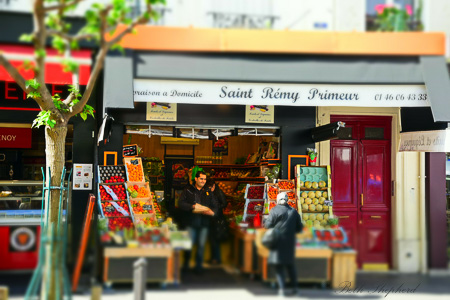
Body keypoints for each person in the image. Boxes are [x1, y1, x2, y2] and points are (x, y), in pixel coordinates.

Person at [178, 171, 217, 274]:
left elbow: (215, 205)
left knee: (201, 245)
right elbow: (181, 203)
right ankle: (186, 264)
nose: (203, 181)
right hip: (191, 222)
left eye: (204, 179)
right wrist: (192, 207)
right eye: (201, 179)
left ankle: (198, 266)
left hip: (204, 224)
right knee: (188, 245)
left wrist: (212, 212)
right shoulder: (188, 190)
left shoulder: (208, 192)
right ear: (196, 179)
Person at [264, 192, 303, 297]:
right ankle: (295, 289)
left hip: (278, 242)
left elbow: (268, 225)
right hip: (290, 242)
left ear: (277, 199)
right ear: (287, 200)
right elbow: (299, 227)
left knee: (279, 266)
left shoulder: (274, 210)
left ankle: (282, 290)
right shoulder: (294, 212)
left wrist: (265, 222)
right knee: (290, 265)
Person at [205, 179, 228, 265]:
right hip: (211, 218)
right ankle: (213, 258)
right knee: (212, 239)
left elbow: (224, 203)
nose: (209, 189)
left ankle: (216, 258)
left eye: (210, 187)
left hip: (217, 218)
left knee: (215, 239)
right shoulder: (209, 192)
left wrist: (216, 207)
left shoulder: (219, 192)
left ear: (214, 186)